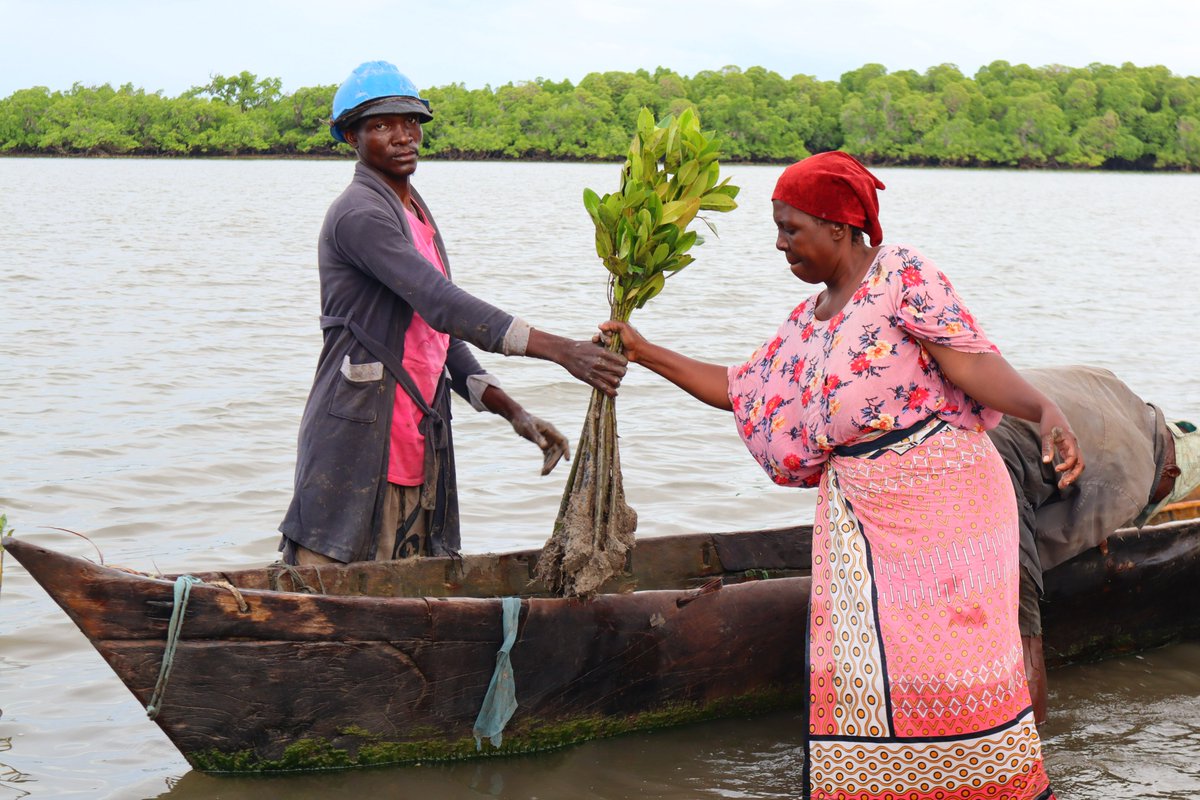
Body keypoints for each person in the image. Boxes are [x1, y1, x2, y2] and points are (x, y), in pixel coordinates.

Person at [602, 151, 1078, 800]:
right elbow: (743, 390)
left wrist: (1043, 409)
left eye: (791, 228)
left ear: (838, 227)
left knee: (952, 674)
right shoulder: (808, 322)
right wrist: (643, 350)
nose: (780, 244)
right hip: (861, 519)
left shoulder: (899, 274)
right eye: (777, 229)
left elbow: (969, 364)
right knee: (860, 677)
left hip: (947, 509)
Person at [278, 62, 626, 566]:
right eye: (382, 125)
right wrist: (561, 351)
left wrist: (515, 413)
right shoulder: (359, 214)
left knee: (410, 588)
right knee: (334, 583)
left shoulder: (413, 211)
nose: (403, 136)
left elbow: (437, 337)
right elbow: (441, 303)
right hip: (361, 441)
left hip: (417, 440)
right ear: (351, 136)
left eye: (411, 122)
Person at [988, 365, 1200, 727]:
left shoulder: (1110, 385)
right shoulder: (1133, 484)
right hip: (993, 468)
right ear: (1171, 472)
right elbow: (1041, 545)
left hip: (953, 431)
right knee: (1024, 629)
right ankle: (1030, 747)